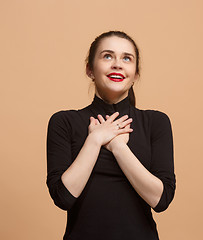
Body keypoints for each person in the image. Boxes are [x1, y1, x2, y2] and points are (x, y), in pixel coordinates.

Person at [46, 31, 176, 240]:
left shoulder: (156, 122)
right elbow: (63, 197)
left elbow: (161, 200)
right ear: (90, 69)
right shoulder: (64, 122)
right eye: (107, 56)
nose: (117, 64)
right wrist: (95, 140)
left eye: (126, 58)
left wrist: (118, 147)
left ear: (136, 75)